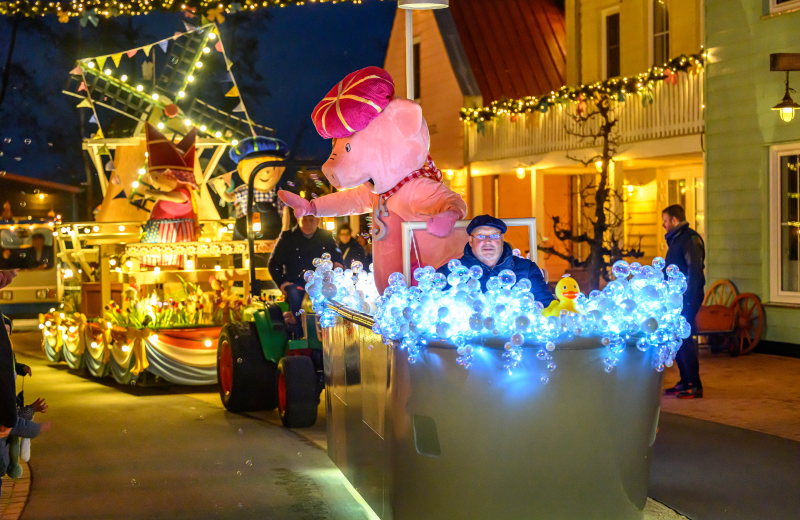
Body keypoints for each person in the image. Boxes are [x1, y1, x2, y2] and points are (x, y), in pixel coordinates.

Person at [436, 215, 555, 306]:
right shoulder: (449, 272)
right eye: (481, 236)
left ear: (502, 239)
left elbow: (547, 305)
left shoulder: (527, 269)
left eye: (494, 236)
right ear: (471, 241)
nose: (487, 241)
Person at [268, 214, 343, 336]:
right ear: (298, 220)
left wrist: (337, 268)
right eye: (305, 220)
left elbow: (338, 258)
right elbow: (273, 264)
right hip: (297, 284)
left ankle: (331, 333)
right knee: (295, 295)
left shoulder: (326, 237)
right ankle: (302, 333)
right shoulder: (288, 237)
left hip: (321, 284)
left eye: (311, 220)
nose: (308, 223)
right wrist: (282, 283)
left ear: (318, 220)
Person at [662, 205, 705, 399]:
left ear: (673, 220)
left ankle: (694, 384)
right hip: (674, 298)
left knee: (685, 339)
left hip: (686, 297)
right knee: (677, 339)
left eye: (664, 220)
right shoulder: (677, 240)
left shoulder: (689, 239)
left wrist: (687, 299)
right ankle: (684, 380)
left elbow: (694, 270)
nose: (663, 225)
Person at [211, 136, 290, 241]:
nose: (266, 172)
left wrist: (285, 232)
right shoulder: (246, 190)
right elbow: (232, 198)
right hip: (247, 236)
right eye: (258, 167)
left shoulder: (279, 192)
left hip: (273, 237)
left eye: (272, 167)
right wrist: (222, 193)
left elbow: (286, 212)